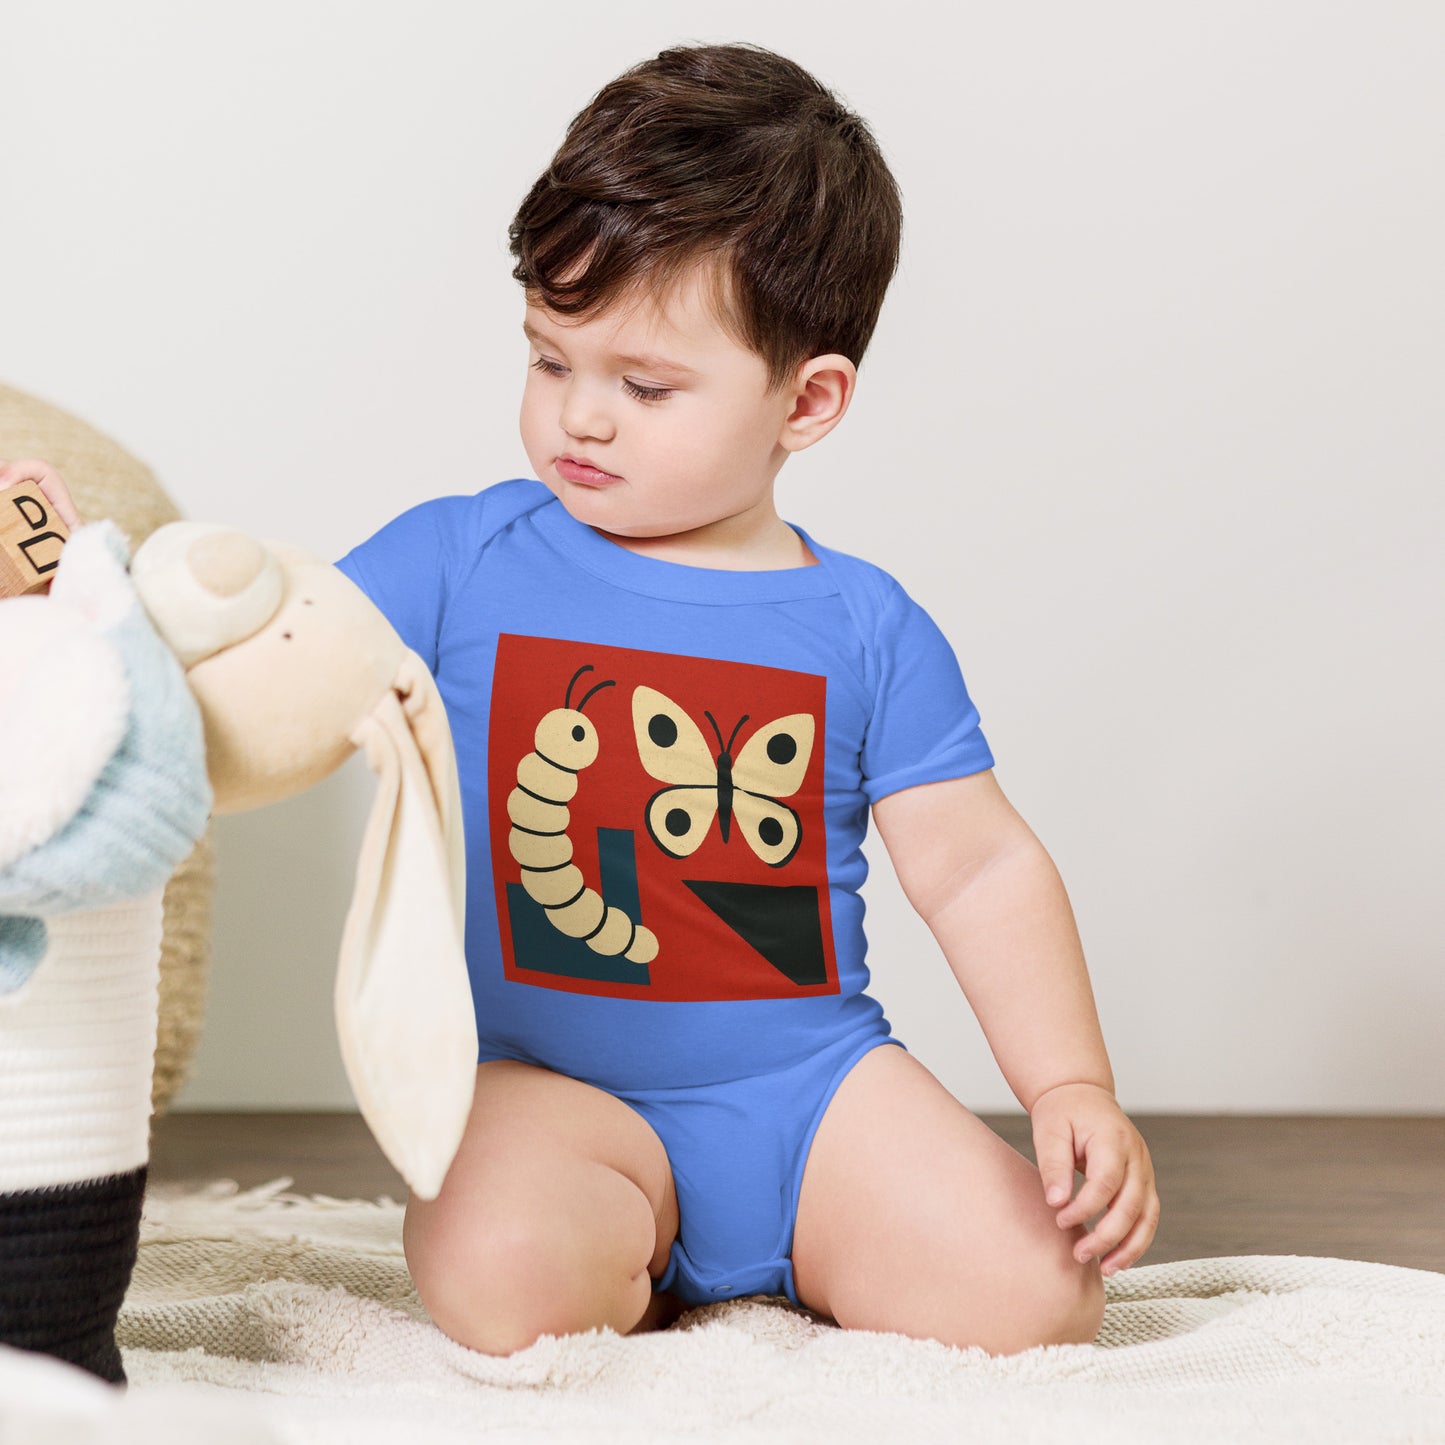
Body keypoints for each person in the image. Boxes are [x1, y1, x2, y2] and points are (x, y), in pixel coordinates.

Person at [7, 41, 1159, 1359]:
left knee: (1039, 1297)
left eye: (644, 385)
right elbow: (275, 663)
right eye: (551, 361)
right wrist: (89, 615)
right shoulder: (462, 559)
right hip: (553, 1091)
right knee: (497, 1276)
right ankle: (631, 1253)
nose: (580, 419)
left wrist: (1067, 1082)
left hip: (808, 1093)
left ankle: (779, 1250)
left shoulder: (866, 626)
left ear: (808, 400)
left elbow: (978, 869)